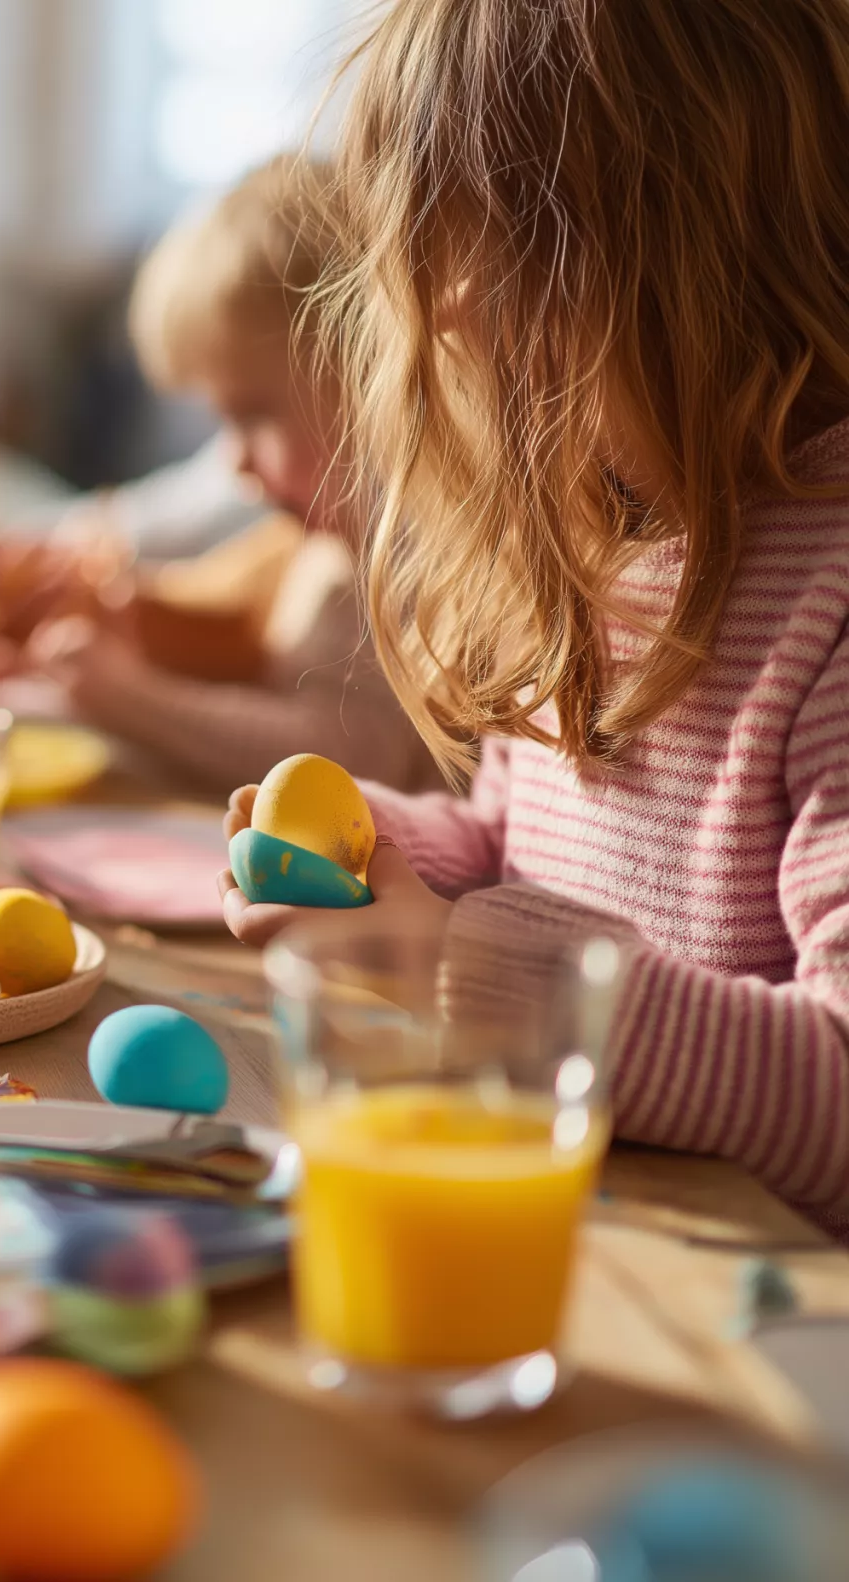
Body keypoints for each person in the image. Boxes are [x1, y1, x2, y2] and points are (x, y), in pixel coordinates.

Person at [221, 0, 849, 1239]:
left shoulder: (827, 594)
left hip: (760, 1359)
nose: (444, 310)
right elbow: (521, 843)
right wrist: (377, 859)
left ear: (680, 246)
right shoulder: (604, 537)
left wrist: (466, 960)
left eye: (493, 242)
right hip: (566, 1245)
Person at [17, 155, 436, 791]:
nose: (235, 461)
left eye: (252, 415)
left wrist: (133, 698)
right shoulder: (328, 548)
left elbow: (355, 760)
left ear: (366, 367)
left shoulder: (407, 555)